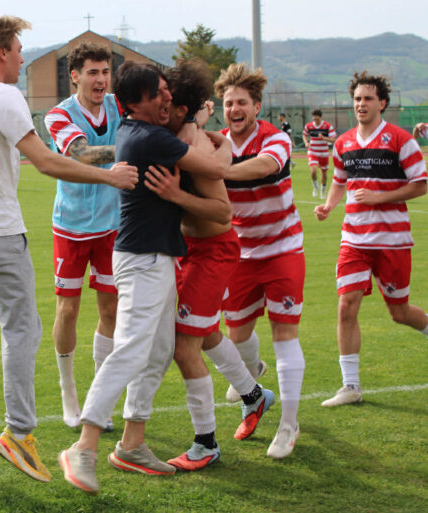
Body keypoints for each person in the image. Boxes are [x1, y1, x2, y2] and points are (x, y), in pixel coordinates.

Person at [0, 16, 137, 484]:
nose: (22, 58)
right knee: (22, 329)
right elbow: (45, 161)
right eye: (18, 50)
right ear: (1, 53)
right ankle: (18, 432)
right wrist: (109, 176)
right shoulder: (4, 96)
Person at [59, 61, 231, 495]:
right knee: (132, 349)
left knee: (156, 353)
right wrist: (220, 140)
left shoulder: (138, 131)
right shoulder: (150, 137)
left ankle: (132, 444)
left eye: (168, 91)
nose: (166, 97)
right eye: (158, 93)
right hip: (143, 260)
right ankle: (83, 446)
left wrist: (197, 124)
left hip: (155, 258)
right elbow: (215, 169)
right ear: (134, 103)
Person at [149, 60, 275, 472]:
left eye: (165, 100)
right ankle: (253, 395)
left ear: (180, 107)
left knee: (184, 347)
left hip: (214, 250)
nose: (159, 106)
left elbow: (222, 213)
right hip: (188, 249)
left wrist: (175, 195)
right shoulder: (181, 136)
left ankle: (206, 443)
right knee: (201, 333)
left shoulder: (196, 147)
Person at [314, 71, 428, 407]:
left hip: (393, 241)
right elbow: (339, 181)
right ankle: (350, 386)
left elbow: (421, 184)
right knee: (346, 305)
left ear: (382, 103)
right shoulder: (343, 143)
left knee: (399, 312)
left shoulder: (400, 139)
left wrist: (380, 197)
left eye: (367, 98)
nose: (361, 104)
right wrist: (329, 205)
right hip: (354, 239)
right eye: (357, 99)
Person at [215, 63, 305, 459]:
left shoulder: (275, 138)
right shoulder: (216, 144)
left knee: (285, 334)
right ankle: (252, 376)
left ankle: (289, 424)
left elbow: (266, 166)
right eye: (228, 103)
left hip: (283, 249)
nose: (234, 109)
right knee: (236, 336)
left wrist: (218, 169)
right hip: (239, 253)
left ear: (257, 107)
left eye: (242, 103)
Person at [44, 42, 120, 430]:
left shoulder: (118, 106)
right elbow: (84, 154)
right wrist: (134, 150)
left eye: (105, 72)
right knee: (68, 310)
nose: (101, 79)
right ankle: (68, 391)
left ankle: (99, 398)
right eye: (93, 72)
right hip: (71, 227)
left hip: (112, 226)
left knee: (111, 310)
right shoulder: (58, 115)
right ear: (74, 76)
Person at [302, 109, 337, 198]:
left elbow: (334, 139)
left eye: (317, 119)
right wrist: (306, 142)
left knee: (324, 173)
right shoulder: (309, 126)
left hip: (323, 153)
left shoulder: (327, 126)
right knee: (313, 171)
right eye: (314, 119)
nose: (316, 121)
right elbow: (304, 134)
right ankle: (315, 187)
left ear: (321, 118)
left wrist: (324, 138)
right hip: (313, 151)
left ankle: (323, 191)